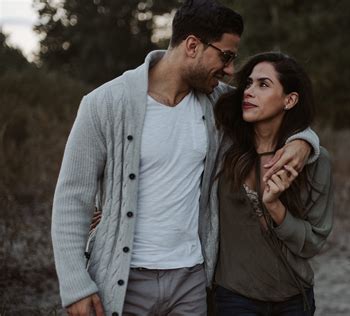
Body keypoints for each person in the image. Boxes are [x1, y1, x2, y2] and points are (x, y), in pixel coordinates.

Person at [51, 1, 320, 316]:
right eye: (226, 56)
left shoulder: (219, 103)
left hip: (192, 279)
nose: (231, 70)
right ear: (192, 45)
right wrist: (75, 285)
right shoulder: (105, 104)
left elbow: (279, 116)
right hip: (124, 280)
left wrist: (303, 141)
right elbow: (72, 198)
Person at [210, 52, 334, 315]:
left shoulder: (315, 161)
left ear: (289, 100)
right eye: (248, 83)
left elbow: (313, 242)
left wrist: (275, 207)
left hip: (293, 297)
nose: (249, 92)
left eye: (263, 84)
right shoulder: (223, 147)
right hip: (233, 295)